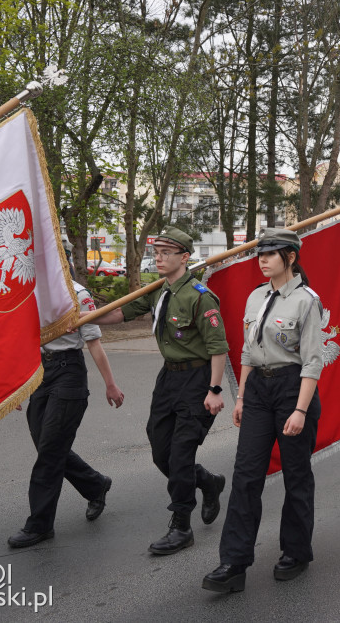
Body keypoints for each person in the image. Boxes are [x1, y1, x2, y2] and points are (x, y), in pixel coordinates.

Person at [84, 227, 228, 555]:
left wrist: (215, 389)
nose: (159, 258)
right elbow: (122, 313)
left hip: (197, 380)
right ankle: (206, 481)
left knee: (180, 453)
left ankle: (181, 526)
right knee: (161, 451)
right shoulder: (158, 290)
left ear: (184, 257)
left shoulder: (199, 296)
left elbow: (218, 347)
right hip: (168, 380)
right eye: (157, 252)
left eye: (166, 253)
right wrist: (85, 319)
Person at [203, 229, 325, 592]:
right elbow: (248, 352)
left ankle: (296, 552)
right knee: (245, 475)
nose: (263, 260)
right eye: (261, 254)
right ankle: (234, 562)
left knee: (296, 474)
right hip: (257, 390)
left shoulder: (306, 301)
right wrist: (240, 397)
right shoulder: (256, 297)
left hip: (292, 390)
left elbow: (312, 362)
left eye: (271, 253)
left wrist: (300, 411)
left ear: (290, 257)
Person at [8, 257, 126, 549]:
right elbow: (22, 342)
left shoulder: (77, 295)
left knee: (49, 452)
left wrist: (110, 385)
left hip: (68, 373)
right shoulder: (31, 293)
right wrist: (16, 386)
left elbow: (93, 343)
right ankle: (95, 484)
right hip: (41, 374)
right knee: (47, 445)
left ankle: (39, 525)